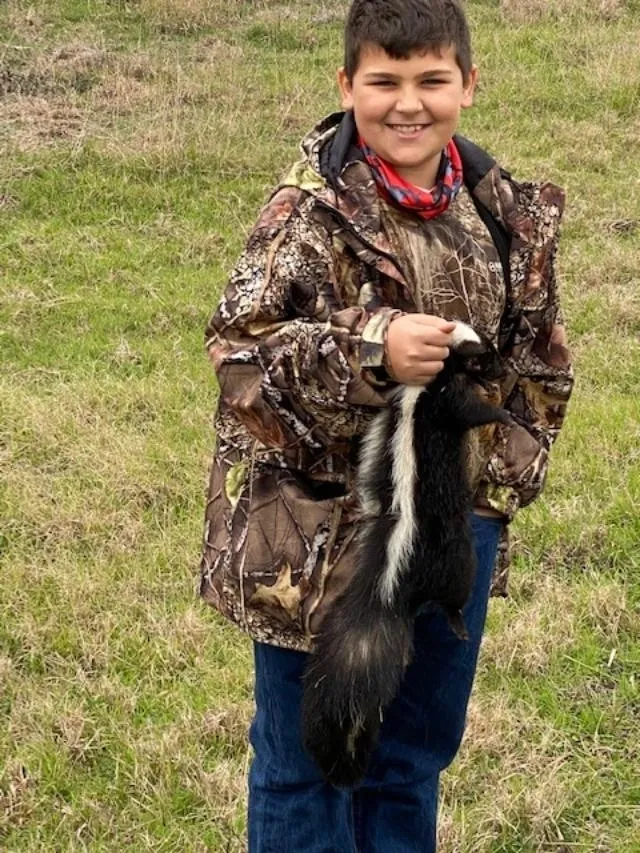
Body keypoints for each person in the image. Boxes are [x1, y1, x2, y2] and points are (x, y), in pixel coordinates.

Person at [199, 0, 573, 849]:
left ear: (469, 86)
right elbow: (239, 353)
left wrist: (490, 500)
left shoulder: (507, 214)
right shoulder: (305, 213)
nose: (409, 103)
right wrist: (373, 349)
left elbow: (542, 365)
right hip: (317, 537)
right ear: (347, 85)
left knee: (411, 754)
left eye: (432, 79)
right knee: (307, 758)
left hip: (449, 533)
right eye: (385, 81)